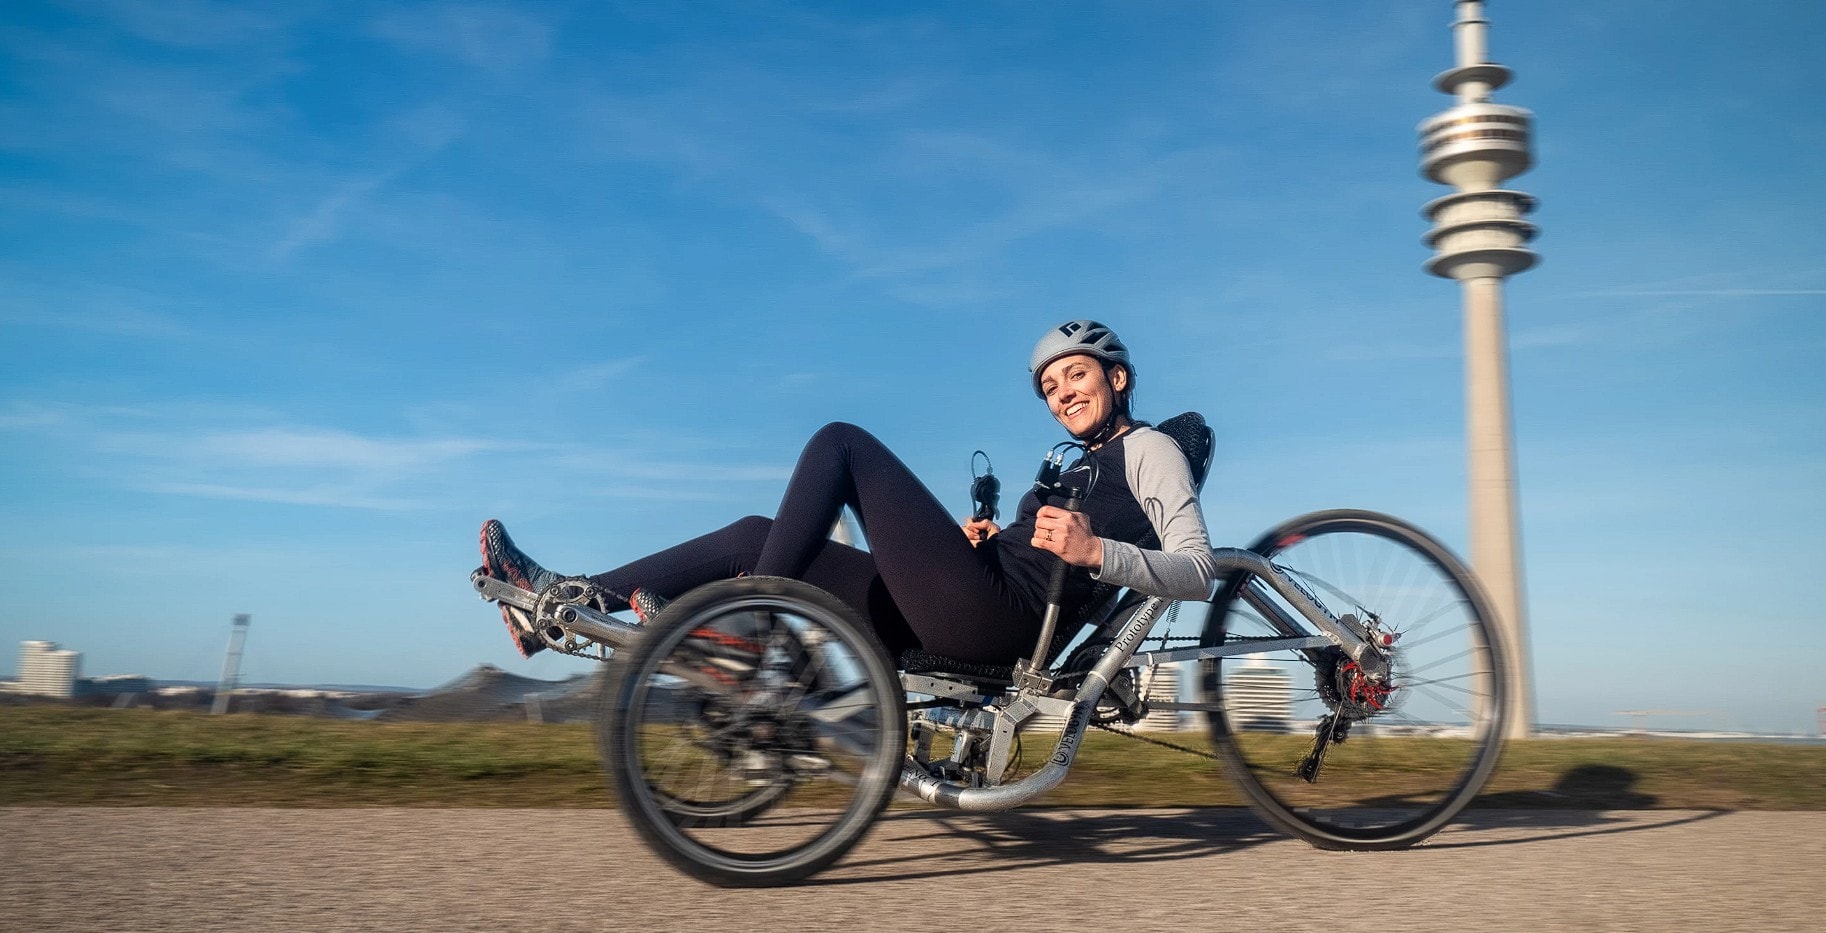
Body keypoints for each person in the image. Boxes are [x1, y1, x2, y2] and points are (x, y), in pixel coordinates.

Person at [478, 320, 1217, 664]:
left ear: (1116, 378)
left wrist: (1097, 551)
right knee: (750, 534)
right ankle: (561, 604)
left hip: (1001, 622)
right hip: (972, 595)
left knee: (841, 442)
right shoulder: (1073, 462)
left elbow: (1197, 569)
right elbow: (1035, 551)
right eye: (1051, 388)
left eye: (1076, 376)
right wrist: (992, 541)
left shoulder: (1150, 448)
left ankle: (752, 629)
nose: (1062, 394)